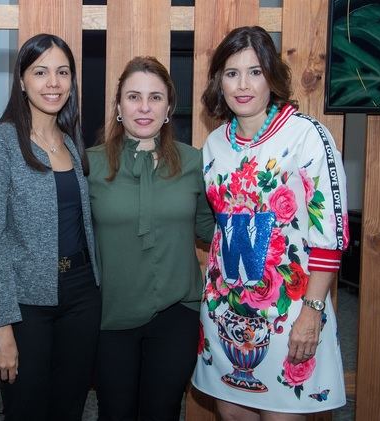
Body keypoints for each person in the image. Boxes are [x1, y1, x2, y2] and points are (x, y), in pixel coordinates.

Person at [192, 26, 349, 420]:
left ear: (272, 77)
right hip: (225, 314)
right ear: (219, 82)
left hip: (291, 314)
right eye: (231, 73)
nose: (243, 84)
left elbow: (330, 235)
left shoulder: (307, 137)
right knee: (231, 415)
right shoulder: (214, 145)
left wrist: (312, 312)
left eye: (255, 71)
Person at [0, 33, 101, 421]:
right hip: (27, 304)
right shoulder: (0, 143)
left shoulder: (69, 140)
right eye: (41, 72)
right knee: (26, 409)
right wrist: (1, 326)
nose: (53, 83)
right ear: (22, 80)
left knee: (70, 407)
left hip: (82, 295)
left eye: (63, 73)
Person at [87, 56, 215, 421]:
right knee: (115, 412)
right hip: (111, 314)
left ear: (169, 107)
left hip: (178, 310)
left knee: (162, 411)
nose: (144, 107)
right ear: (118, 106)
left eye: (155, 97)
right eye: (133, 97)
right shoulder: (89, 165)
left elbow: (210, 229)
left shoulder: (195, 163)